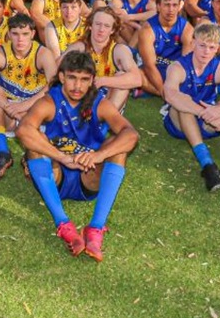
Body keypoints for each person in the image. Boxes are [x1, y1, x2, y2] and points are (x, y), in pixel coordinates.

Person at [16, 51, 139, 262]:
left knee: (118, 147)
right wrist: (62, 157)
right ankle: (63, 224)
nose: (77, 86)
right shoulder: (50, 101)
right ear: (62, 77)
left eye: (84, 79)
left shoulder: (99, 103)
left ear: (92, 81)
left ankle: (96, 228)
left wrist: (99, 156)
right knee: (35, 142)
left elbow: (131, 135)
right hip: (56, 176)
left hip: (88, 175)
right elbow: (23, 130)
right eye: (72, 77)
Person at [161, 23, 220, 192]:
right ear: (193, 44)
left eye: (211, 47)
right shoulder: (178, 67)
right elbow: (170, 95)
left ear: (217, 49)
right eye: (202, 46)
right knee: (183, 103)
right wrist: (203, 112)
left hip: (209, 123)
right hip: (180, 124)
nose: (206, 51)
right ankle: (207, 165)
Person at [0, 13, 58, 181]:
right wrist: (8, 107)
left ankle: (29, 155)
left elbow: (54, 85)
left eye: (25, 34)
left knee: (48, 101)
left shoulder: (43, 53)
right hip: (9, 110)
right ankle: (3, 152)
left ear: (33, 34)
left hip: (33, 108)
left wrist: (25, 105)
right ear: (9, 34)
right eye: (15, 34)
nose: (20, 39)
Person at [136, 0, 193, 96]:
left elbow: (186, 63)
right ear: (158, 6)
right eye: (166, 5)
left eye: (174, 5)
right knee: (135, 74)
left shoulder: (187, 29)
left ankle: (149, 89)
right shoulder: (147, 29)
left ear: (179, 7)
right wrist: (163, 91)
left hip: (175, 70)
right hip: (155, 68)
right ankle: (164, 92)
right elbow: (149, 65)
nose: (171, 9)